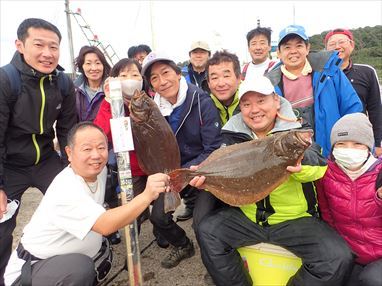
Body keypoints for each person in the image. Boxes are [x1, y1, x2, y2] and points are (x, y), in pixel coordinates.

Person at [191, 76, 354, 286]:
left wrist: (300, 166)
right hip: (248, 218)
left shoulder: (296, 130)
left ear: (276, 101)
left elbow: (320, 165)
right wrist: (206, 179)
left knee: (338, 257)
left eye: (261, 101)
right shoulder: (232, 137)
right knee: (208, 231)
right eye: (246, 104)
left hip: (294, 220)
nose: (254, 109)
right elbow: (222, 168)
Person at [3, 122, 170, 286]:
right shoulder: (66, 189)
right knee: (79, 269)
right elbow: (105, 225)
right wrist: (147, 195)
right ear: (69, 152)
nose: (96, 155)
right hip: (32, 269)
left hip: (62, 260)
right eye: (87, 149)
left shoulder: (100, 170)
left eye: (101, 147)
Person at [0, 18, 77, 284]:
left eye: (53, 47)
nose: (47, 53)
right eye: (39, 45)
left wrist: (73, 169)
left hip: (46, 159)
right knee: (1, 226)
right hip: (10, 165)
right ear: (20, 45)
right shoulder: (5, 80)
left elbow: (68, 129)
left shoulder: (64, 84)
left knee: (74, 209)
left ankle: (72, 265)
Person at [141, 51, 222, 269]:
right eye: (154, 78)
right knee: (158, 218)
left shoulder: (201, 101)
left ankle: (215, 264)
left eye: (166, 72)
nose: (162, 81)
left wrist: (185, 172)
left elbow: (213, 148)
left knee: (202, 223)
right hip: (171, 174)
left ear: (179, 74)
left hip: (199, 171)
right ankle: (183, 245)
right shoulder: (151, 108)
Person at [266, 24, 363, 157]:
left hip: (333, 154)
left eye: (299, 45)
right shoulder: (269, 85)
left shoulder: (330, 72)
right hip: (294, 159)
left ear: (307, 48)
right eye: (287, 47)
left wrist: (347, 145)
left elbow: (352, 109)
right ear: (279, 53)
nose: (293, 51)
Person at [316, 113, 382, 286]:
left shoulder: (379, 173)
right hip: (348, 253)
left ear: (369, 147)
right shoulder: (325, 174)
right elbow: (326, 213)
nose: (349, 149)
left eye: (357, 143)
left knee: (372, 280)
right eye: (341, 144)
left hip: (378, 257)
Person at [94, 58, 152, 241]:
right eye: (123, 75)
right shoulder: (108, 104)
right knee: (131, 214)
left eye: (135, 74)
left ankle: (164, 233)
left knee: (161, 214)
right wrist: (110, 103)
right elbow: (101, 135)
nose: (129, 79)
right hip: (131, 170)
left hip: (153, 167)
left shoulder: (150, 101)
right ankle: (132, 247)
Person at [324, 28, 382, 157]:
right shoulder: (319, 75)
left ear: (352, 45)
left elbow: (375, 110)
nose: (337, 47)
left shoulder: (367, 72)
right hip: (328, 140)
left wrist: (377, 143)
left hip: (358, 140)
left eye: (341, 42)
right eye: (332, 44)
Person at [178, 40, 211, 221]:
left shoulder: (213, 73)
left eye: (202, 52)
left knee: (206, 159)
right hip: (187, 124)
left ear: (208, 55)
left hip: (207, 120)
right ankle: (190, 204)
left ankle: (204, 204)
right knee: (185, 161)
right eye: (195, 53)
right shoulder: (182, 74)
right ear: (190, 55)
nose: (199, 56)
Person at [74, 45, 111, 122]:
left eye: (98, 63)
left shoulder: (112, 89)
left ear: (103, 65)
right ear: (82, 66)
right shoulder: (74, 91)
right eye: (88, 63)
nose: (94, 68)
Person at [207, 50, 242, 126]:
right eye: (214, 78)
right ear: (208, 83)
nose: (221, 84)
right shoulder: (203, 109)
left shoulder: (251, 104)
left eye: (226, 76)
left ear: (239, 78)